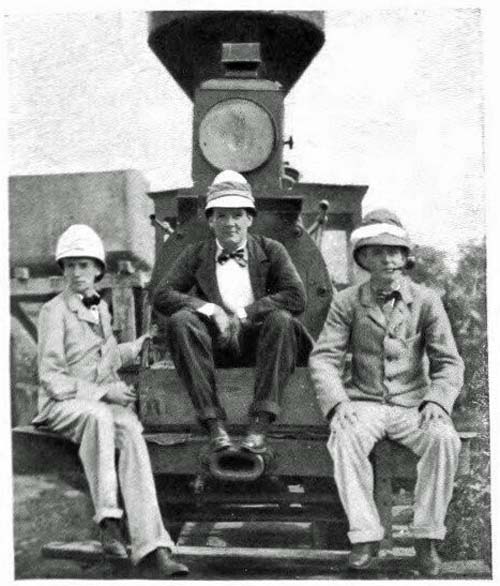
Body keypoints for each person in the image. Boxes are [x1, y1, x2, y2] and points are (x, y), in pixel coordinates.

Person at [308, 209, 464, 576]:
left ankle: (427, 537)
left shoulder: (426, 300)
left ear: (406, 256)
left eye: (395, 251)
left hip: (414, 405)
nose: (388, 260)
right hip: (365, 402)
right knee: (344, 436)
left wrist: (437, 400)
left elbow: (449, 362)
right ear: (363, 258)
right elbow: (324, 358)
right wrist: (338, 403)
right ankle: (364, 536)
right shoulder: (347, 301)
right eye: (377, 252)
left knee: (445, 439)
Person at [33, 224, 189, 577]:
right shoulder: (53, 312)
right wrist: (105, 392)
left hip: (95, 403)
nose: (77, 273)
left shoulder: (100, 308)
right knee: (100, 416)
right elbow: (52, 378)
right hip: (62, 404)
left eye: (84, 265)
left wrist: (138, 346)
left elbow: (105, 358)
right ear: (63, 270)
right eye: (70, 265)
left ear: (98, 270)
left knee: (131, 430)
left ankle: (154, 546)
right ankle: (108, 522)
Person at [153, 170, 313, 455]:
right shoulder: (195, 253)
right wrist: (210, 309)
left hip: (262, 348)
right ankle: (214, 425)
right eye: (222, 216)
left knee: (282, 319)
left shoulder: (271, 250)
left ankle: (260, 425)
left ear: (250, 219)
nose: (230, 223)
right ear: (210, 220)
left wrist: (243, 314)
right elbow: (162, 295)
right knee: (180, 320)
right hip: (214, 349)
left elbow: (296, 296)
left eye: (237, 215)